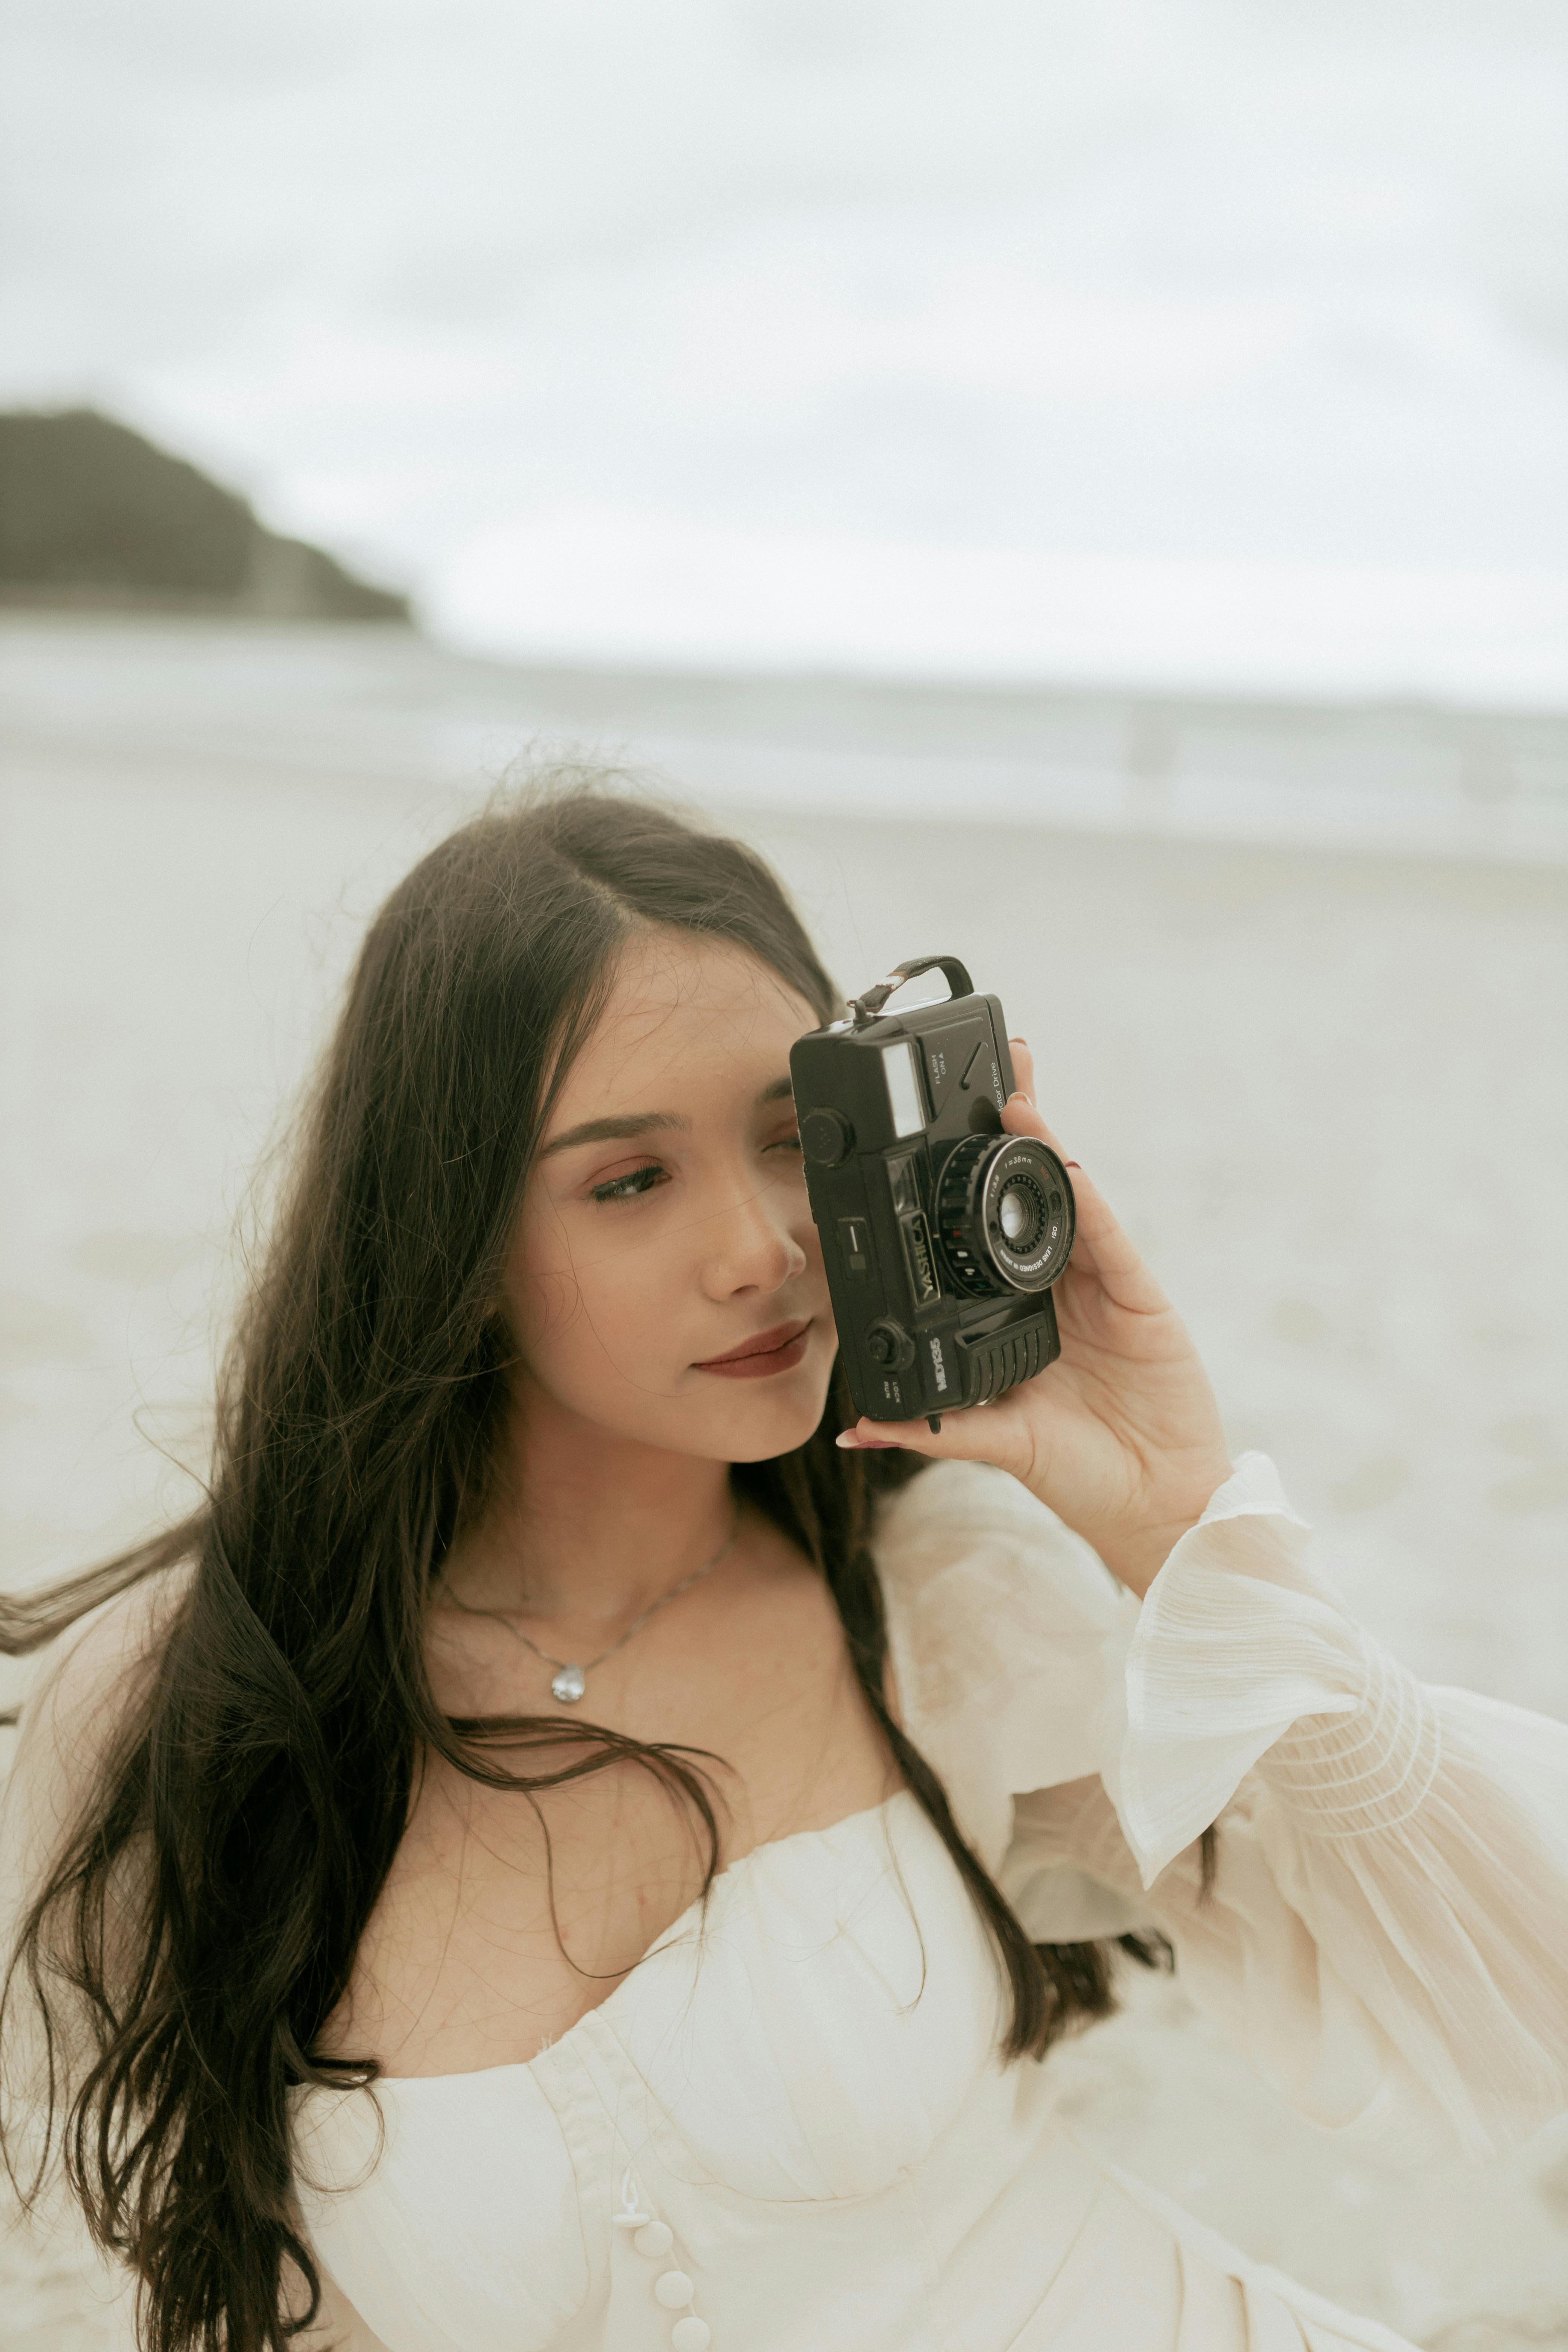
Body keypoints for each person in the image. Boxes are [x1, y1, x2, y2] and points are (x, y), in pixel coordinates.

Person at [2, 781, 1565, 2352]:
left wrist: (1172, 1520)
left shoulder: (941, 1606)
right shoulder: (183, 1714)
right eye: (630, 1180)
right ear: (449, 1247)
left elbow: (1509, 1991)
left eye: (787, 1141)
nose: (761, 1245)